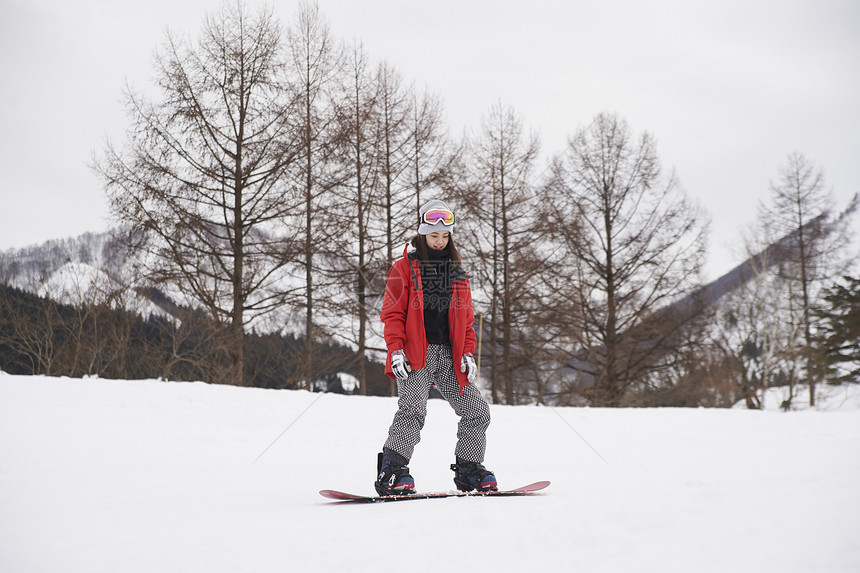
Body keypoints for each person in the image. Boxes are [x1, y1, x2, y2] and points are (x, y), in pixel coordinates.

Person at [374, 199, 497, 496]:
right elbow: (391, 314)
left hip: (450, 356)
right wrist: (396, 350)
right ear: (422, 235)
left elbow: (467, 321)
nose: (440, 241)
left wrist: (468, 352)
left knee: (477, 409)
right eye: (434, 236)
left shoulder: (457, 274)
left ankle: (469, 469)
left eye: (445, 236)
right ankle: (393, 471)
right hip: (416, 354)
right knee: (413, 410)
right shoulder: (403, 268)